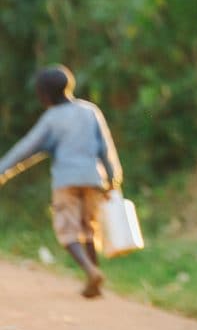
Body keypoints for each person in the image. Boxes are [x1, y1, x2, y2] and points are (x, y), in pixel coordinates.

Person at [0, 65, 122, 298]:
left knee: (67, 231)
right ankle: (94, 279)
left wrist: (3, 170)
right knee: (89, 230)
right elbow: (106, 147)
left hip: (66, 181)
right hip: (94, 178)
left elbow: (26, 148)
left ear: (44, 95)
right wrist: (114, 176)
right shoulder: (90, 111)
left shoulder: (51, 119)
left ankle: (90, 271)